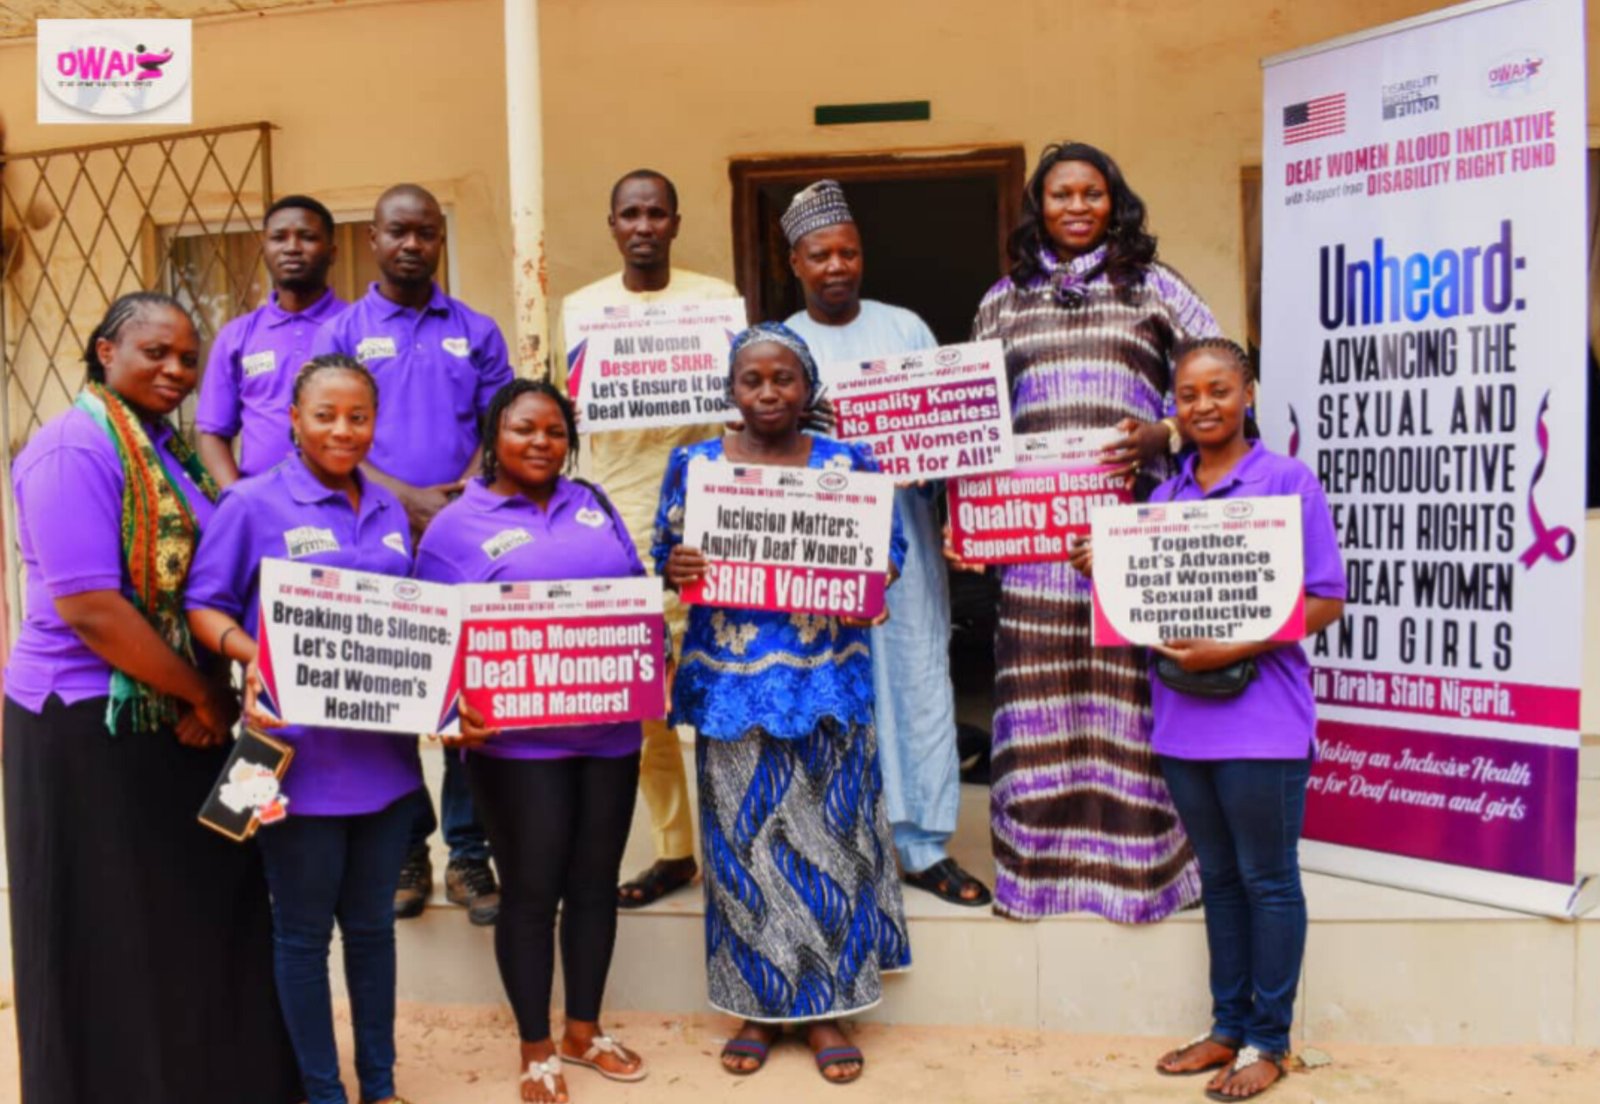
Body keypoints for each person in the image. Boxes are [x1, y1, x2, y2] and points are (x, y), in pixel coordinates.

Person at [2, 291, 301, 1104]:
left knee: (202, 904)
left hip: (182, 714)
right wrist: (204, 694)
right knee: (112, 926)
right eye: (155, 353)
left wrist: (214, 694)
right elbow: (91, 608)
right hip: (89, 722)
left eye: (187, 359)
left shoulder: (169, 451)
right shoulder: (71, 450)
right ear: (105, 351)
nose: (175, 370)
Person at [1069, 338, 1345, 1101]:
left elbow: (1326, 599)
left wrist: (1235, 643)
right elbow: (1146, 613)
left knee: (1268, 880)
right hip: (1182, 723)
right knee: (1219, 880)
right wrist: (1104, 572)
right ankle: (1226, 1027)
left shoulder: (1287, 481)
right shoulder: (1164, 500)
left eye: (1219, 390)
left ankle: (1269, 1039)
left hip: (1264, 722)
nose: (1203, 406)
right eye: (1188, 395)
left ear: (1248, 393)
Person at [963, 141, 1221, 923]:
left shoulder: (1154, 286)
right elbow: (973, 423)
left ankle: (1140, 873)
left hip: (1131, 532)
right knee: (1038, 699)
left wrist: (1165, 431)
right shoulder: (1002, 301)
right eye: (1061, 195)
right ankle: (1039, 876)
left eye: (1093, 193)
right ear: (1038, 207)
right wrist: (967, 520)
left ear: (1116, 202)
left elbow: (1226, 373)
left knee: (1129, 698)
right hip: (1033, 544)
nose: (1077, 207)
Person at [652, 322, 910, 1084]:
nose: (768, 392)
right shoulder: (695, 464)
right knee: (743, 850)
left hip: (825, 677)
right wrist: (677, 564)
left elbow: (889, 554)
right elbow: (669, 551)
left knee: (831, 845)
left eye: (784, 378)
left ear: (808, 388)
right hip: (731, 686)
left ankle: (830, 1008)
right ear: (731, 390)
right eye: (752, 380)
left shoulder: (848, 462)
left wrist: (871, 578)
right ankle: (758, 1007)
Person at [186, 354, 423, 1104]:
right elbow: (204, 605)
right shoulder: (251, 502)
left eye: (358, 417)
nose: (342, 430)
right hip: (293, 762)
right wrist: (252, 655)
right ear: (293, 419)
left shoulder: (387, 508)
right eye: (325, 415)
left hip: (386, 764)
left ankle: (380, 1087)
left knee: (373, 932)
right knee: (301, 936)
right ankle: (323, 1094)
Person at [414, 379, 650, 1103]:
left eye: (554, 430)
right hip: (517, 748)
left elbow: (634, 589)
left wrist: (656, 656)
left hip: (610, 731)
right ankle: (536, 1046)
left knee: (594, 884)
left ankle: (584, 1030)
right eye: (523, 429)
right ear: (494, 436)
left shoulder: (593, 503)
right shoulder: (456, 525)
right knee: (531, 890)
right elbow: (428, 633)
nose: (541, 442)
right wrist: (447, 708)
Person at [781, 180, 988, 907]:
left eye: (849, 252)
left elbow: (950, 436)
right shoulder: (781, 344)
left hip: (909, 545)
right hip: (818, 553)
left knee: (917, 684)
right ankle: (843, 847)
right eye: (820, 255)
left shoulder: (906, 330)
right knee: (832, 692)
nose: (837, 266)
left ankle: (924, 846)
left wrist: (950, 494)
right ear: (796, 263)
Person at [312, 182, 513, 925]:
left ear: (439, 239)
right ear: (373, 238)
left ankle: (468, 851)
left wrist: (458, 500)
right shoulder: (341, 330)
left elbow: (500, 425)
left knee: (467, 685)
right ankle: (406, 847)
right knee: (393, 683)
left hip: (462, 530)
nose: (412, 245)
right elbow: (326, 433)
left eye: (426, 232)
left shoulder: (476, 329)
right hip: (372, 529)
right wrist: (405, 499)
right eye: (398, 231)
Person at [557, 168, 743, 910]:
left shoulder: (713, 301)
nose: (643, 226)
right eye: (629, 214)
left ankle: (737, 844)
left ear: (675, 222)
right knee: (643, 697)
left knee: (724, 681)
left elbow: (742, 402)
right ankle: (674, 850)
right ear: (612, 224)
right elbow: (567, 419)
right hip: (620, 518)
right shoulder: (583, 310)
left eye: (655, 214)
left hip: (708, 516)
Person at [196, 193, 347, 488]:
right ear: (264, 250)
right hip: (262, 504)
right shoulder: (236, 336)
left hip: (343, 501)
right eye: (279, 238)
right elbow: (213, 433)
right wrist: (239, 498)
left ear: (332, 252)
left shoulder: (355, 327)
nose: (292, 248)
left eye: (307, 237)